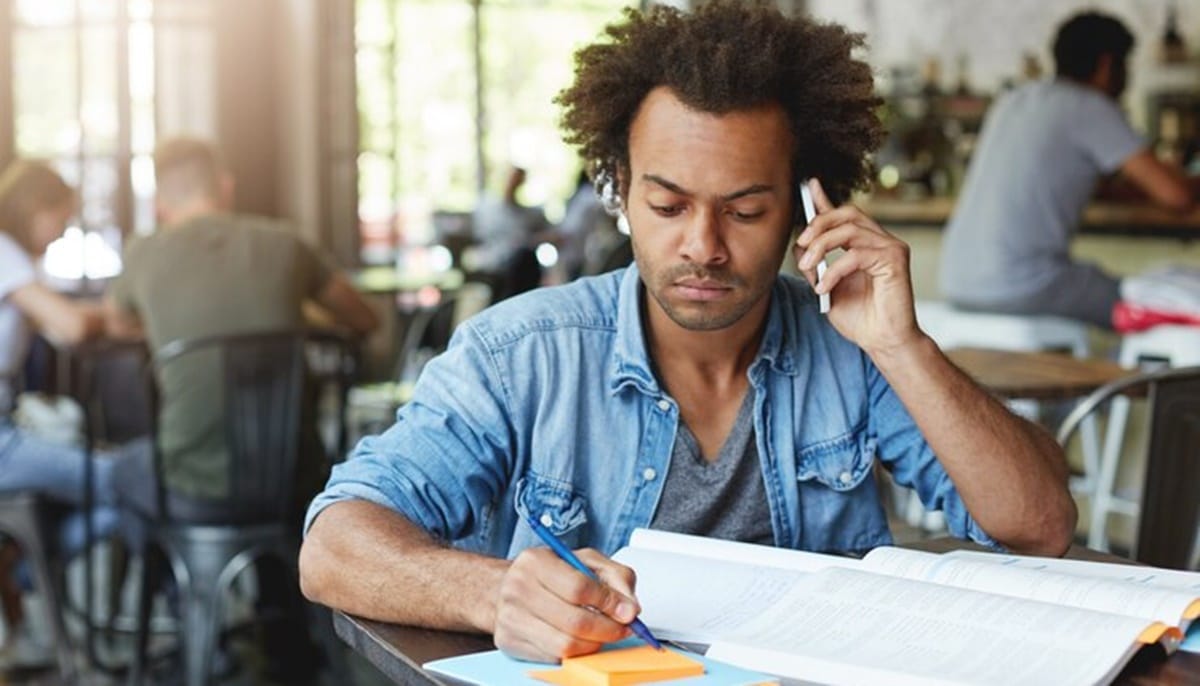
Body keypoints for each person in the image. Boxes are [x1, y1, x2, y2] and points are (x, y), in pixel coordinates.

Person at [299, 2, 1076, 664]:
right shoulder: (520, 355)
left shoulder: (857, 351)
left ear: (810, 208)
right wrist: (496, 591)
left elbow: (1039, 526)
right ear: (621, 193)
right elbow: (333, 546)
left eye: (744, 211)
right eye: (668, 206)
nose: (703, 245)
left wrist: (904, 347)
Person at [104, 137, 378, 679]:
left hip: (195, 488)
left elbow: (116, 325)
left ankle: (182, 617)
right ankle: (281, 620)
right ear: (224, 186)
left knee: (123, 472)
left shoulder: (145, 253)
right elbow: (364, 319)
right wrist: (295, 320)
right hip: (293, 480)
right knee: (267, 474)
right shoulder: (285, 244)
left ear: (162, 202)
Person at [940, 11, 1194, 328]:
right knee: (1161, 301)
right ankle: (1128, 376)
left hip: (956, 279)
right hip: (1024, 283)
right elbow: (1177, 197)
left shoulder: (1015, 99)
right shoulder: (1090, 106)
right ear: (1106, 65)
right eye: (1125, 65)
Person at [0, 160, 148, 651]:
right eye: (59, 218)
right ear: (32, 209)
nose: (63, 232)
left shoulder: (15, 263)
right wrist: (125, 321)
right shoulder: (6, 254)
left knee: (106, 476)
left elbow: (65, 319)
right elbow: (71, 327)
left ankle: (21, 558)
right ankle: (23, 567)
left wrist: (109, 319)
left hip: (8, 433)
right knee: (129, 480)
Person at [470, 165, 550, 300]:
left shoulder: (531, 215)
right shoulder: (486, 208)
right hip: (493, 269)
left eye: (517, 179)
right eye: (511, 178)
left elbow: (554, 235)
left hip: (519, 272)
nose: (513, 183)